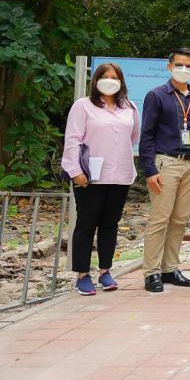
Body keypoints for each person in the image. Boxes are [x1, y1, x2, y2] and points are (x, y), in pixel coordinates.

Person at [62, 63, 139, 296]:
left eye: (115, 77)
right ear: (96, 80)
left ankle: (106, 271)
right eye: (105, 76)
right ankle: (82, 275)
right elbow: (73, 139)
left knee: (110, 224)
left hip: (120, 175)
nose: (110, 80)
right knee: (86, 224)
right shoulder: (83, 106)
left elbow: (133, 137)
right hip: (90, 176)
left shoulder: (130, 107)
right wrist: (75, 170)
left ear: (121, 82)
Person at [138, 47, 190, 293]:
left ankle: (170, 268)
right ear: (169, 66)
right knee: (160, 219)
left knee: (180, 219)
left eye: (189, 66)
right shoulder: (156, 95)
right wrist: (150, 170)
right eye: (179, 65)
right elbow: (147, 135)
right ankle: (152, 272)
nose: (183, 69)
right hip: (165, 163)